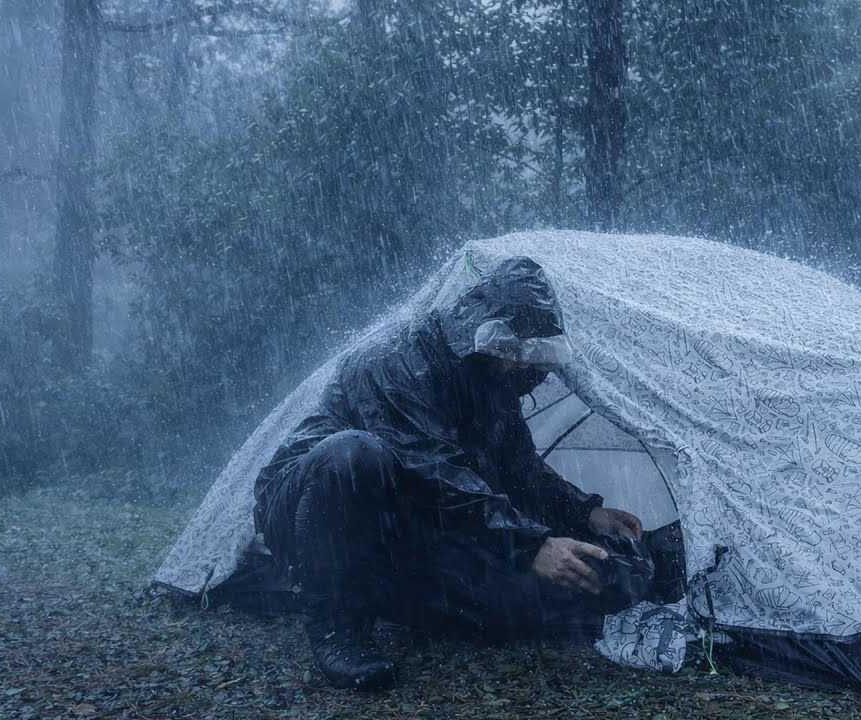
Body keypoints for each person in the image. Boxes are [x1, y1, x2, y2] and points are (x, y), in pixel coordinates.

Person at [252, 257, 644, 690]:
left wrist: (585, 512)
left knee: (504, 612)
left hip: (399, 525)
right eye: (520, 353)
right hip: (305, 508)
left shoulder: (489, 378)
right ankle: (337, 631)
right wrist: (531, 545)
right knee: (355, 454)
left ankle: (389, 593)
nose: (530, 370)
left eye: (536, 355)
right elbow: (430, 468)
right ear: (484, 327)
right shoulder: (395, 358)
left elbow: (519, 468)